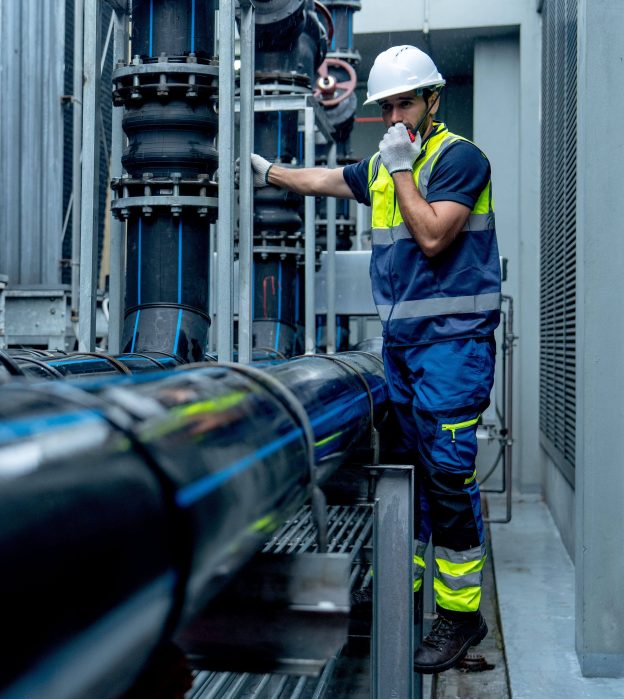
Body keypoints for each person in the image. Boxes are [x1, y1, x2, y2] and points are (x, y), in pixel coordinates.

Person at [250, 45, 501, 674]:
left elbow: (434, 234)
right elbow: (331, 180)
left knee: (447, 478)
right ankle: (409, 593)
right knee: (412, 475)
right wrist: (269, 172)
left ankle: (462, 616)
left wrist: (404, 170)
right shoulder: (389, 164)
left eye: (405, 103)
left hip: (453, 347)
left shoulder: (459, 160)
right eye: (387, 106)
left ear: (432, 101)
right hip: (404, 352)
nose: (396, 117)